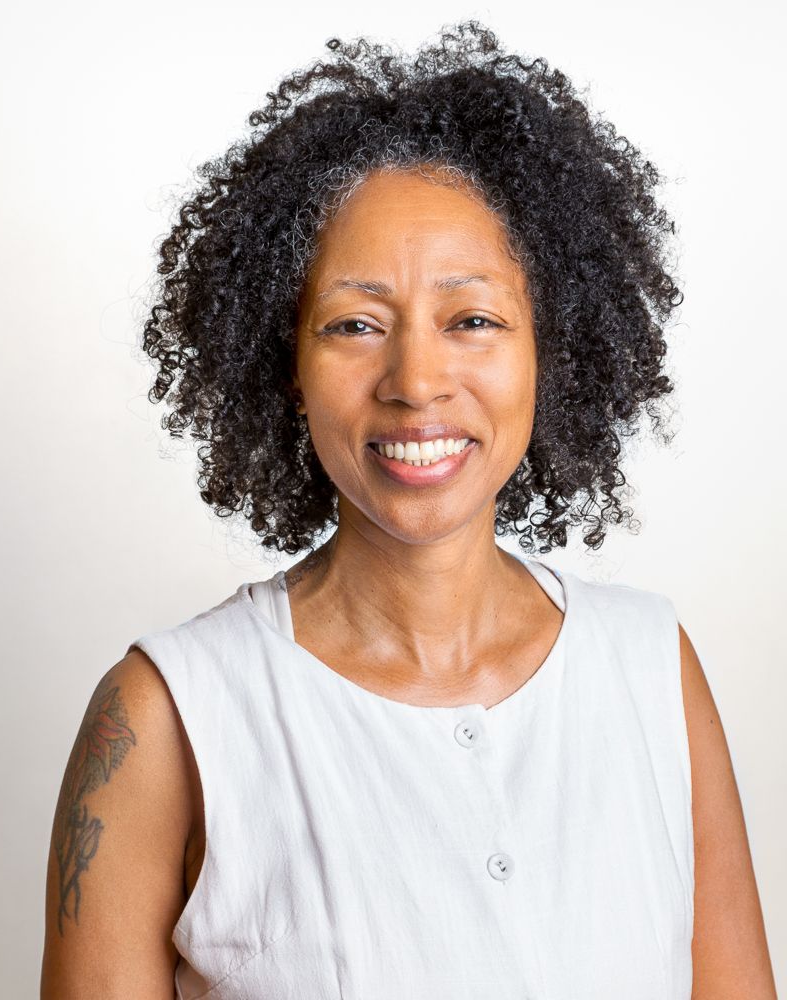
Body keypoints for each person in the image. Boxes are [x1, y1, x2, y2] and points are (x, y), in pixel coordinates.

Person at [40, 20, 777, 1000]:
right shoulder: (165, 718)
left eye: (471, 318)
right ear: (284, 363)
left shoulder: (649, 671)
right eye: (354, 324)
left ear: (546, 348)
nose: (415, 381)